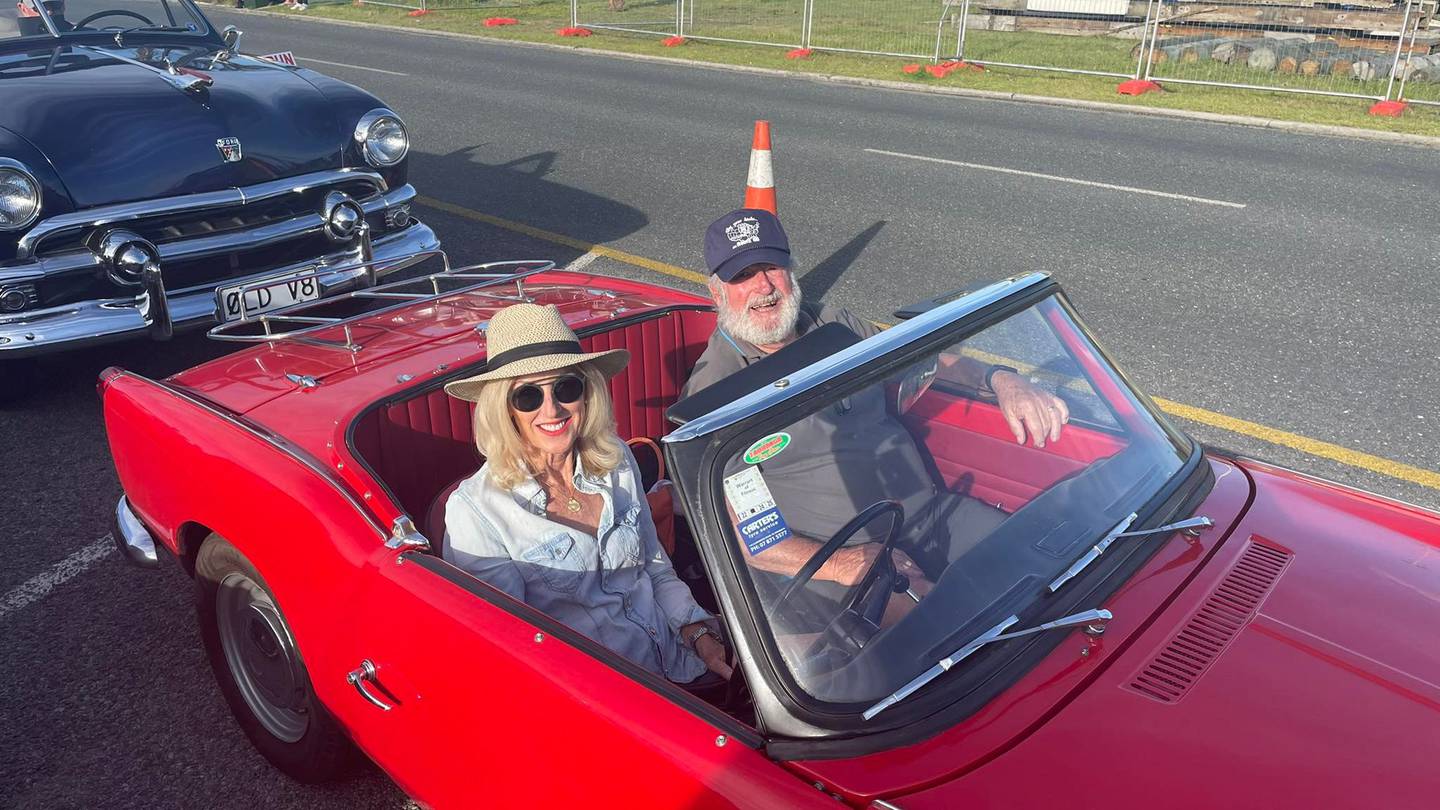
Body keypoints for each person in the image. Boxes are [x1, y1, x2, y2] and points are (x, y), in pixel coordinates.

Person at [684, 208, 1071, 594]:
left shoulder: (835, 325)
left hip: (930, 515)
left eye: (772, 267)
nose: (763, 286)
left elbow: (922, 357)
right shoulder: (714, 391)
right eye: (743, 276)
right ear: (717, 291)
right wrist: (842, 563)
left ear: (791, 271)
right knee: (957, 629)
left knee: (1050, 558)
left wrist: (1000, 378)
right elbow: (742, 538)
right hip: (843, 562)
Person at [443, 303, 731, 687]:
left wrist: (697, 632)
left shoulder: (615, 458)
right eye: (528, 396)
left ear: (586, 393)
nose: (552, 409)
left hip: (679, 661)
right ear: (504, 410)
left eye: (566, 387)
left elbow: (654, 567)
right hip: (596, 693)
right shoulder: (476, 511)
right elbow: (514, 649)